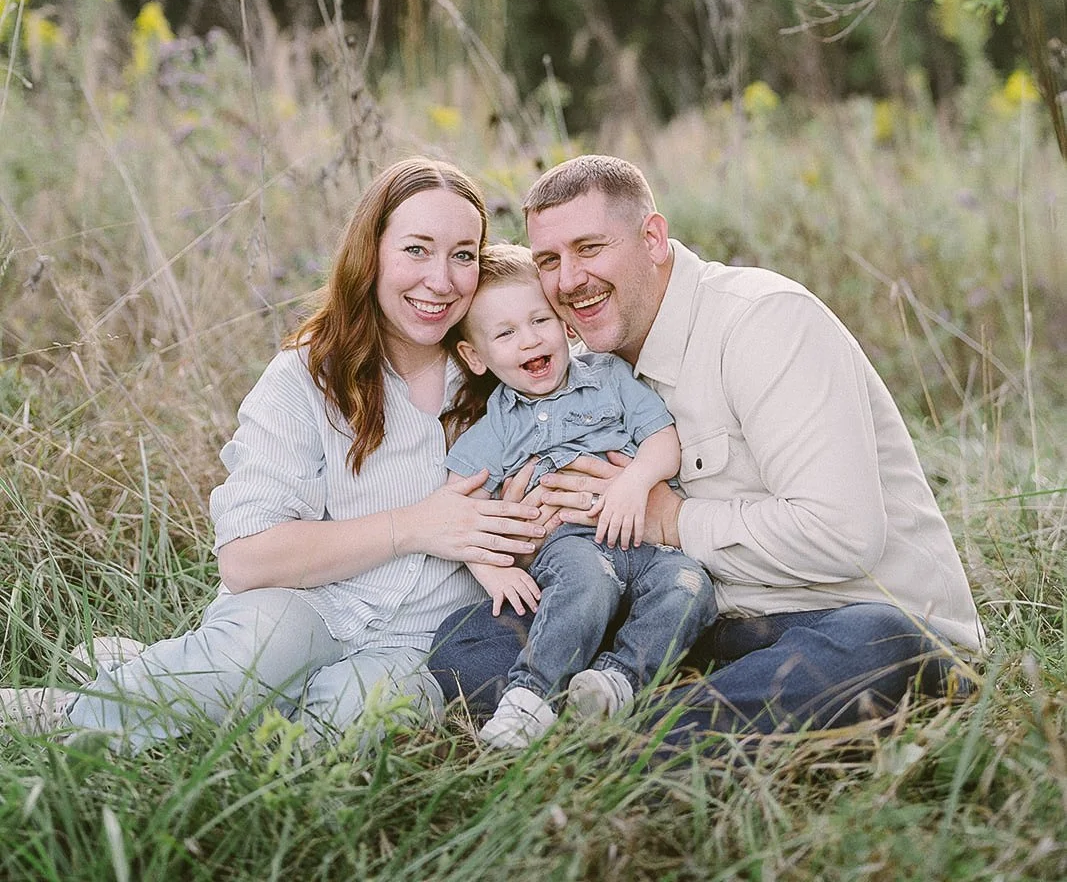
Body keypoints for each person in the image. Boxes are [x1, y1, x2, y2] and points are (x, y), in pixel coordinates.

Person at [431, 154, 984, 751]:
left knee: (873, 643)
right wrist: (538, 532)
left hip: (841, 616)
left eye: (590, 248)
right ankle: (628, 709)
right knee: (465, 642)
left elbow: (844, 537)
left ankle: (626, 742)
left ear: (653, 238)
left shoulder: (764, 322)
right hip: (701, 617)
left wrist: (668, 519)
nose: (568, 281)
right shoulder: (592, 363)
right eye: (549, 260)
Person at [0, 157, 542, 746]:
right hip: (307, 609)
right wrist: (417, 526)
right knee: (252, 661)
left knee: (348, 724)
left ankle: (150, 677)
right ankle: (76, 715)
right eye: (416, 249)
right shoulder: (307, 378)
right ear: (373, 253)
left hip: (416, 644)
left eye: (463, 254)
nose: (441, 280)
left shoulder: (509, 373)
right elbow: (248, 560)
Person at [444, 244, 718, 749]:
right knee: (586, 582)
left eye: (540, 321)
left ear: (566, 324)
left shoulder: (609, 378)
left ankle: (617, 683)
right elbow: (456, 509)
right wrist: (493, 570)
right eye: (505, 333)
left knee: (691, 585)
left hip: (645, 541)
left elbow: (663, 440)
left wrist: (635, 482)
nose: (529, 341)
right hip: (571, 545)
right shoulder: (498, 427)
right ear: (475, 357)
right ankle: (530, 700)